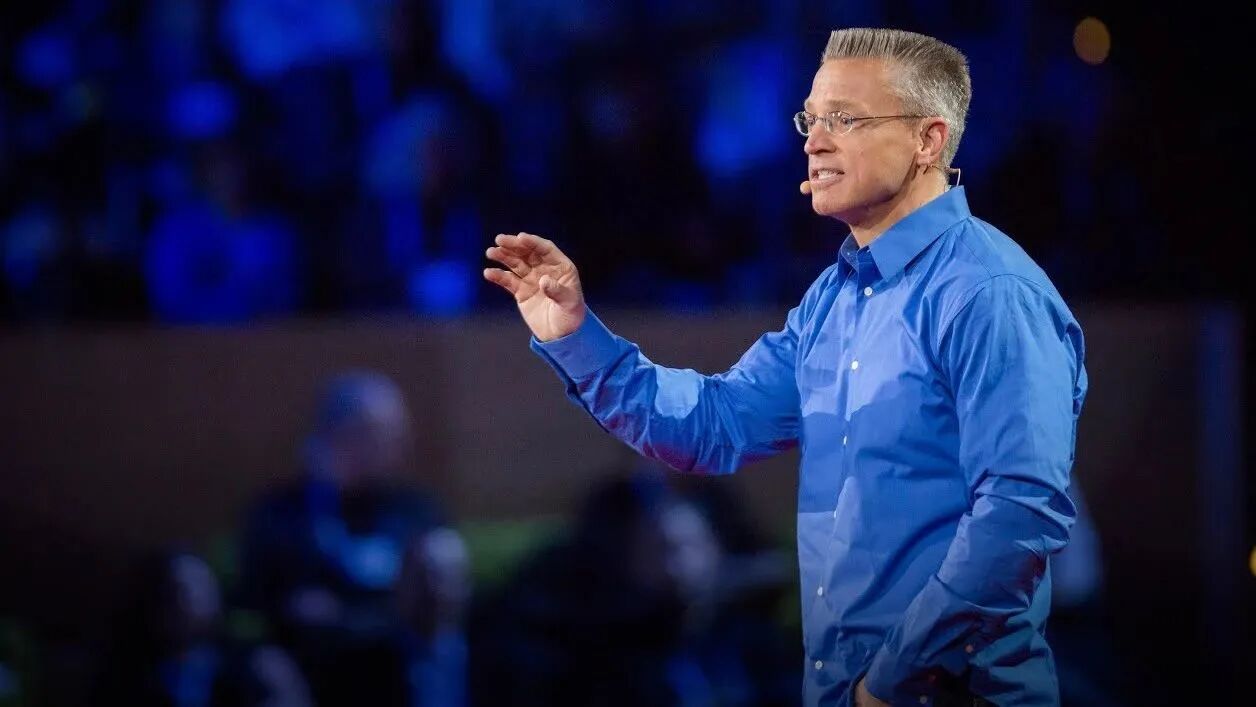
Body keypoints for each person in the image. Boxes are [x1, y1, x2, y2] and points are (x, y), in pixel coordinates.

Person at [483, 28, 1087, 707]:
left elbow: (1017, 517)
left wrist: (892, 680)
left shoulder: (992, 293)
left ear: (928, 140)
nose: (814, 141)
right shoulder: (833, 300)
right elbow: (710, 425)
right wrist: (573, 335)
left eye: (845, 119)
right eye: (811, 119)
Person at [237, 371, 446, 706]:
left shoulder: (416, 511)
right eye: (380, 433)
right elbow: (265, 603)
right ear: (334, 434)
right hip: (308, 669)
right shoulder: (281, 513)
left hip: (397, 664)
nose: (399, 444)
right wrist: (321, 500)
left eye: (398, 433)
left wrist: (348, 618)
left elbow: (428, 606)